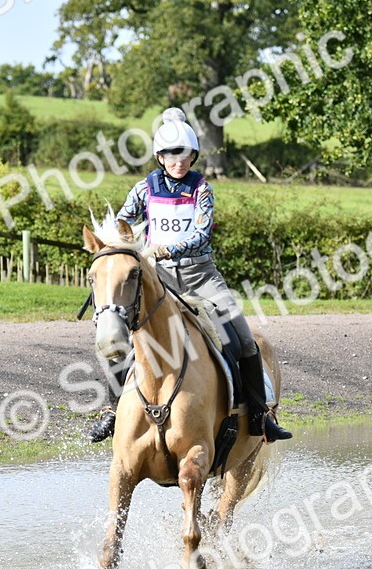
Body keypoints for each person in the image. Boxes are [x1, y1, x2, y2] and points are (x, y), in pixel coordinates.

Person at [88, 107, 292, 444]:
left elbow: (201, 235)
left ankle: (260, 414)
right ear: (160, 156)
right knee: (117, 334)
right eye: (170, 154)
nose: (178, 161)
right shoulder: (143, 190)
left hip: (201, 276)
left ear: (193, 155)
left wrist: (167, 249)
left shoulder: (202, 190)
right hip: (159, 278)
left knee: (242, 339)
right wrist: (121, 244)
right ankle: (112, 409)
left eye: (184, 154)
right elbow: (122, 224)